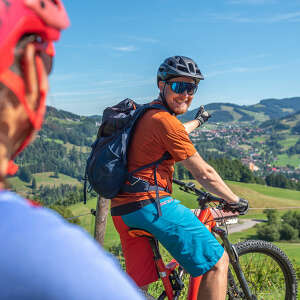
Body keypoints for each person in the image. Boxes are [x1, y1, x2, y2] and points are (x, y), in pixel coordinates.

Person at [0, 1, 144, 299]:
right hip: (146, 206)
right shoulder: (47, 256)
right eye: (45, 63)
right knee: (212, 258)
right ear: (27, 71)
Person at [111, 56, 249, 300]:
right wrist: (234, 199)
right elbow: (204, 173)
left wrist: (198, 121)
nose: (185, 94)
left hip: (123, 210)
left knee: (136, 290)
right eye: (178, 86)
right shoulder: (165, 122)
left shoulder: (146, 114)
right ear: (161, 84)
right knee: (218, 262)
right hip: (151, 206)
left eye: (191, 88)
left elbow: (176, 131)